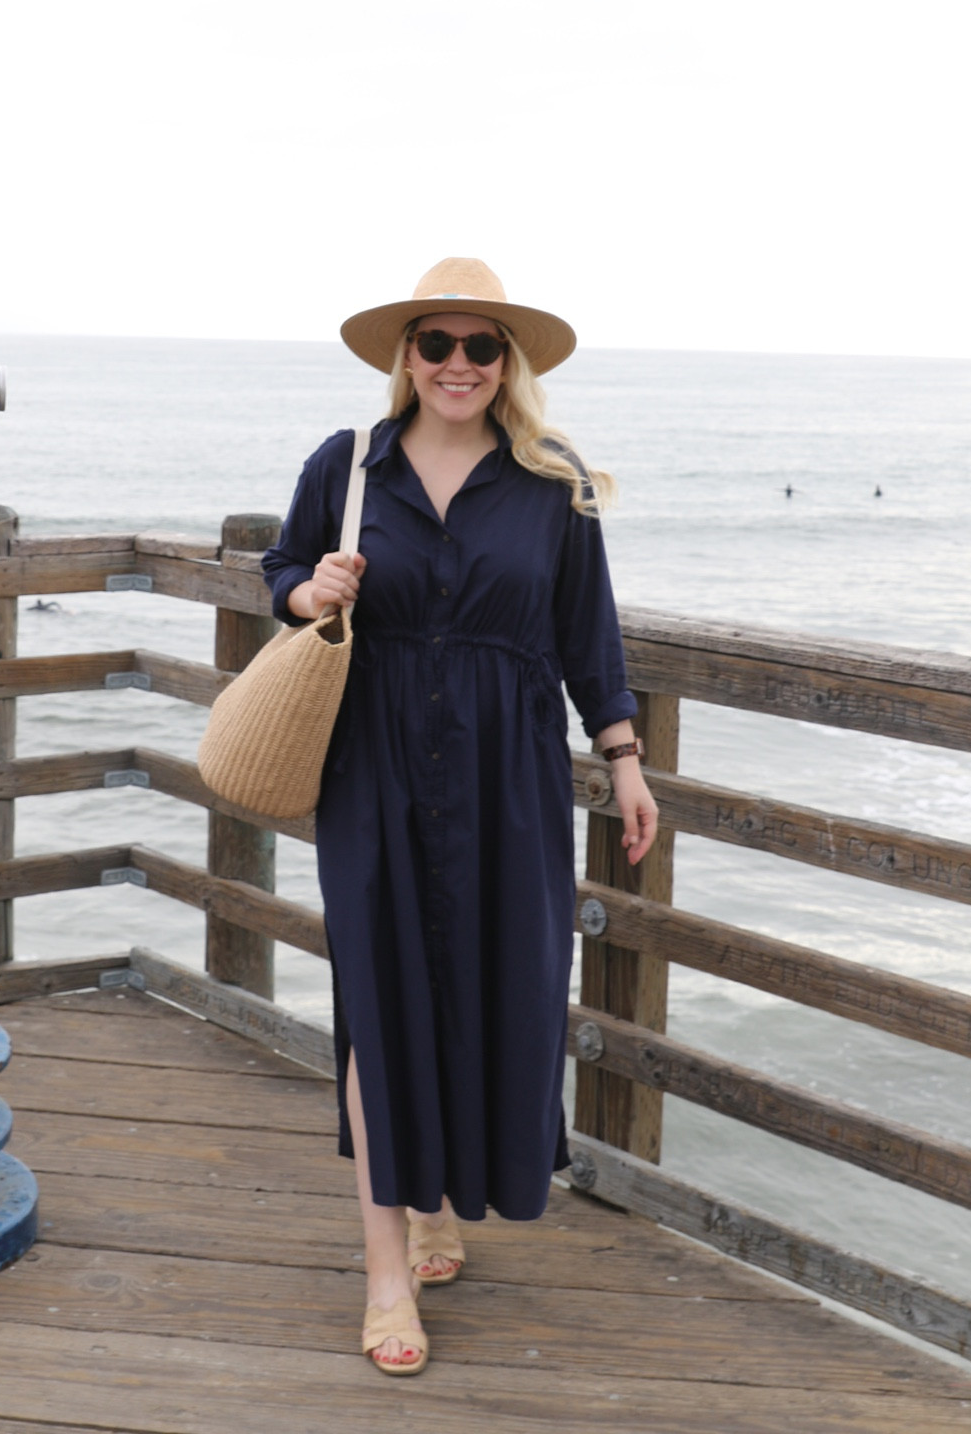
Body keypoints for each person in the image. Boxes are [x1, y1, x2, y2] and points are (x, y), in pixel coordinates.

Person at [261, 258, 657, 1377]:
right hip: (372, 763)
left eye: (481, 347)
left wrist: (623, 761)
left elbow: (591, 636)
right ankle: (387, 1269)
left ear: (507, 363)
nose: (457, 365)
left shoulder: (549, 481)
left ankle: (441, 1200)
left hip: (511, 773)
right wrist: (305, 591)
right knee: (378, 999)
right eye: (435, 343)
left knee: (504, 984)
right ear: (406, 355)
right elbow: (277, 565)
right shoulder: (347, 464)